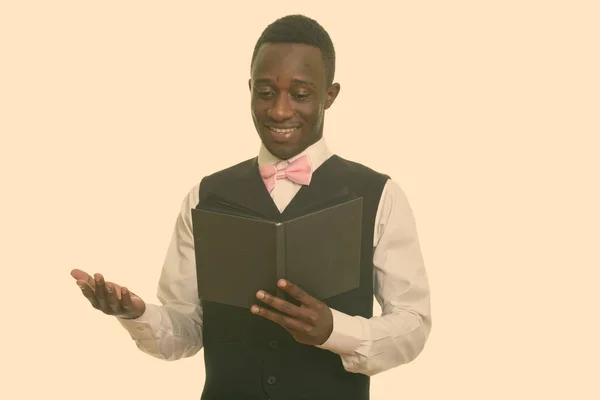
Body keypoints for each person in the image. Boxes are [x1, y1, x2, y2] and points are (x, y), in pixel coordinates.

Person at [71, 14, 431, 400]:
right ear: (249, 90)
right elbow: (187, 330)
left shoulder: (380, 195)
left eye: (301, 94)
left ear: (330, 94)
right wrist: (137, 315)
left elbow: (413, 324)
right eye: (265, 93)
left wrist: (333, 330)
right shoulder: (205, 196)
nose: (279, 111)